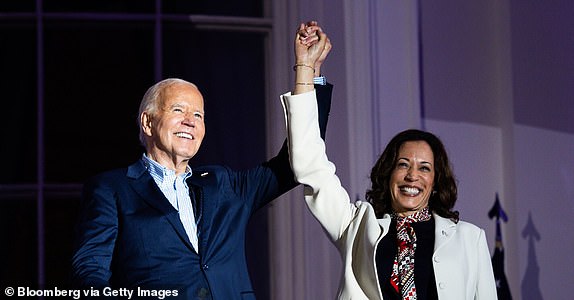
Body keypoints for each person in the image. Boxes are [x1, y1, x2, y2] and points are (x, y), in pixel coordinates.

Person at [71, 22, 331, 299]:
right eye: (178, 109)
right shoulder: (112, 189)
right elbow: (90, 271)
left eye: (198, 115)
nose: (190, 121)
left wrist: (308, 71)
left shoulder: (224, 184)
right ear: (148, 122)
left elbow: (297, 159)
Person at [282, 28, 497, 299]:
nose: (412, 176)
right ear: (388, 174)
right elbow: (308, 164)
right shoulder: (357, 227)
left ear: (435, 182)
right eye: (403, 164)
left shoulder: (469, 239)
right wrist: (305, 67)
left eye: (424, 168)